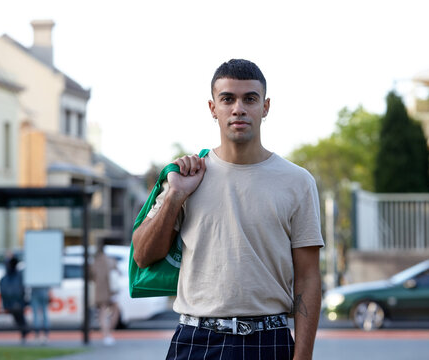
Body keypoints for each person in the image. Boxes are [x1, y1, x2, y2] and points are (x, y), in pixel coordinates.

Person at [132, 59, 324, 360]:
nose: (238, 108)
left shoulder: (297, 182)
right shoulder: (187, 177)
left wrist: (303, 358)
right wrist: (175, 197)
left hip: (268, 339)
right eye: (227, 99)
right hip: (196, 338)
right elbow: (143, 255)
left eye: (250, 98)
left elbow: (309, 276)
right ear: (212, 108)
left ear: (266, 106)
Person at [91, 242, 120, 346]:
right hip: (112, 290)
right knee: (115, 310)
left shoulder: (95, 263)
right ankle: (110, 331)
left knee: (102, 313)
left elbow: (92, 276)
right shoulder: (111, 261)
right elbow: (118, 273)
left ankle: (106, 334)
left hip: (100, 291)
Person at [0, 256, 29, 343]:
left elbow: (19, 290)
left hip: (16, 302)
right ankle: (24, 330)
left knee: (19, 317)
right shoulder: (10, 276)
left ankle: (24, 330)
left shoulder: (13, 276)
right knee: (19, 317)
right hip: (15, 302)